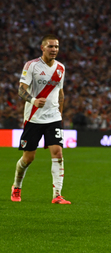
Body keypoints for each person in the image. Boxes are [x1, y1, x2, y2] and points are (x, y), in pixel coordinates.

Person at [11, 34, 71, 204]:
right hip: (34, 117)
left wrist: (60, 114)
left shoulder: (61, 68)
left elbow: (60, 92)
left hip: (53, 117)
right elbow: (21, 90)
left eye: (57, 47)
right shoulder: (31, 66)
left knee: (58, 153)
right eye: (51, 46)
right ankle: (16, 186)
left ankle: (57, 195)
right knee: (28, 158)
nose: (54, 50)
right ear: (42, 48)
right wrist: (33, 100)